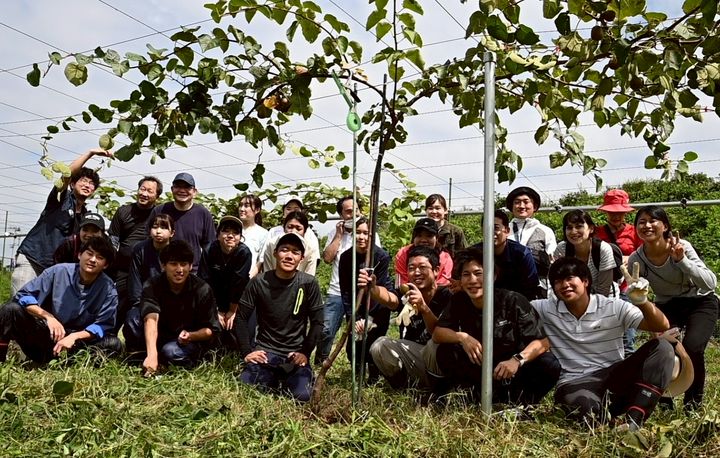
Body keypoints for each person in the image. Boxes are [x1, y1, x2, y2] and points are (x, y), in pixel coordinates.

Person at [532, 257, 674, 430]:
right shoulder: (544, 309)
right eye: (558, 281)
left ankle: (635, 420)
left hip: (615, 377)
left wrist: (643, 302)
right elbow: (513, 307)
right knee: (586, 414)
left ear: (585, 281)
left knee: (662, 347)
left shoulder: (613, 306)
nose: (564, 285)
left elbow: (661, 325)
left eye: (569, 278)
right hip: (574, 382)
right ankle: (605, 422)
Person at [432, 248, 560, 406]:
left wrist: (517, 360)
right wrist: (462, 337)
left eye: (478, 273)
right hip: (480, 366)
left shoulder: (513, 300)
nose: (472, 280)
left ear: (492, 276)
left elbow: (542, 342)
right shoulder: (459, 300)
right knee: (445, 351)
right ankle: (474, 397)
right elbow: (438, 333)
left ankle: (522, 403)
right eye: (466, 275)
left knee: (548, 363)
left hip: (512, 369)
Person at [628, 205, 718, 409]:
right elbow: (638, 293)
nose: (647, 226)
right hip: (667, 304)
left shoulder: (681, 246)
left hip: (701, 301)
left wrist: (682, 260)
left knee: (693, 347)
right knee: (665, 349)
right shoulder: (637, 259)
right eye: (641, 222)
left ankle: (693, 404)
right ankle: (664, 400)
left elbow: (710, 283)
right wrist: (639, 293)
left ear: (665, 226)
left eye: (653, 221)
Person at [0, 236, 121, 363]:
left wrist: (74, 336)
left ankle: (71, 364)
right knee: (10, 309)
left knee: (113, 344)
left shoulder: (108, 289)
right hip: (47, 336)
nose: (93, 260)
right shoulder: (58, 271)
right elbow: (24, 296)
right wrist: (49, 317)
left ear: (105, 265)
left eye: (100, 257)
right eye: (89, 254)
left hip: (78, 343)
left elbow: (102, 325)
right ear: (80, 255)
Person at [237, 233, 324, 402]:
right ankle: (272, 379)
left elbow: (318, 322)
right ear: (275, 253)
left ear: (301, 258)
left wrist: (305, 353)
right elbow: (241, 317)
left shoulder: (308, 283)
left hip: (294, 353)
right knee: (247, 388)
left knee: (302, 396)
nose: (289, 256)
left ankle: (291, 378)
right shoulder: (259, 282)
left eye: (295, 252)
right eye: (285, 250)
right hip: (265, 351)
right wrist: (247, 352)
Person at [12, 148, 112, 295]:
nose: (87, 185)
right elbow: (66, 174)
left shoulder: (85, 217)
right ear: (72, 184)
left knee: (41, 308)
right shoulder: (61, 199)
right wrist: (90, 153)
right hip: (33, 260)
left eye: (91, 183)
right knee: (21, 304)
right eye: (83, 181)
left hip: (54, 271)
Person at [362, 245, 452, 389]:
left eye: (422, 267)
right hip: (417, 357)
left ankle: (438, 393)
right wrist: (373, 289)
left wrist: (424, 308)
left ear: (436, 271)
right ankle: (405, 389)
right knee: (380, 346)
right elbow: (391, 299)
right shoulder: (407, 294)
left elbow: (439, 334)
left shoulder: (447, 296)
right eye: (411, 268)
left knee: (433, 345)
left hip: (441, 363)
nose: (416, 272)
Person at [123, 240, 221, 372]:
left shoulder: (202, 289)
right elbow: (151, 318)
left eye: (184, 264)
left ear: (190, 266)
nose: (179, 270)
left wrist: (191, 336)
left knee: (171, 352)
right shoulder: (152, 285)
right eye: (173, 264)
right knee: (133, 318)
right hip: (161, 334)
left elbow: (211, 330)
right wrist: (152, 354)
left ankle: (171, 364)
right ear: (163, 265)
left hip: (187, 341)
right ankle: (142, 359)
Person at [338, 217, 392, 382]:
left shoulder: (381, 257)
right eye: (358, 232)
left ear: (372, 235)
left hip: (378, 308)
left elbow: (379, 289)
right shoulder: (346, 257)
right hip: (356, 306)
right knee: (354, 346)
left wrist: (369, 317)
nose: (361, 237)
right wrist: (354, 317)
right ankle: (357, 375)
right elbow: (346, 291)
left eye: (365, 233)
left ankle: (374, 376)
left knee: (374, 343)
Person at [108, 176, 162, 333]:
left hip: (148, 271)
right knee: (117, 307)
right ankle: (108, 339)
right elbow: (113, 241)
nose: (144, 194)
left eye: (149, 191)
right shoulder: (123, 211)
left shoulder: (158, 215)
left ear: (157, 196)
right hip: (123, 270)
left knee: (144, 308)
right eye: (142, 189)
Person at [595, 189, 643, 355]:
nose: (616, 216)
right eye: (612, 212)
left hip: (627, 287)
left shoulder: (634, 231)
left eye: (620, 213)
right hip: (604, 287)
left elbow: (644, 254)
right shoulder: (597, 232)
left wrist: (629, 258)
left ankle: (630, 365)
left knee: (628, 334)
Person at [316, 196, 361, 364]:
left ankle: (355, 364)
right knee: (326, 329)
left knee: (358, 331)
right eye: (348, 211)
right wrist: (338, 236)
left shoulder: (368, 233)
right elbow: (327, 258)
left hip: (360, 292)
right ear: (341, 215)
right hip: (337, 291)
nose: (354, 214)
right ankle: (321, 361)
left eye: (356, 210)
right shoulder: (334, 234)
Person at [199, 215, 253, 351]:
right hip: (213, 298)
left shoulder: (244, 253)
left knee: (236, 328)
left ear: (240, 237)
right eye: (226, 231)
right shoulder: (209, 250)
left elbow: (239, 283)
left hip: (237, 300)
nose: (230, 236)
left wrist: (232, 310)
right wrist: (215, 310)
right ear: (218, 235)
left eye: (235, 233)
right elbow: (204, 282)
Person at [147, 173, 215, 273]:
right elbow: (148, 241)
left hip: (193, 272)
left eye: (187, 187)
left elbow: (209, 246)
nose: (182, 190)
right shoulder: (159, 211)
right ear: (172, 189)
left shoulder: (203, 213)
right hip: (163, 271)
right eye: (178, 186)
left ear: (194, 192)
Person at [471, 210, 541, 300]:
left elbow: (531, 288)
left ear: (507, 231)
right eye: (486, 229)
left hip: (516, 302)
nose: (490, 233)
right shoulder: (473, 254)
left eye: (496, 228)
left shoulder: (521, 254)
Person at [554, 209, 618, 298]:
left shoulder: (603, 249)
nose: (573, 231)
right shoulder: (562, 249)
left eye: (579, 226)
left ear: (591, 228)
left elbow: (604, 289)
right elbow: (558, 281)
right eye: (569, 227)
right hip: (573, 296)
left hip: (603, 298)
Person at [505, 186, 556, 296]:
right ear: (511, 207)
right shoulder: (504, 231)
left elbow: (553, 264)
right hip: (508, 289)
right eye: (517, 202)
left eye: (526, 202)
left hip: (538, 290)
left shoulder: (545, 231)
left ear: (535, 206)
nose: (521, 206)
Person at [127, 214, 175, 312]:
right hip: (145, 299)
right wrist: (139, 305)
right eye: (155, 227)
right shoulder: (140, 249)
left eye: (164, 228)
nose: (158, 231)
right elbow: (135, 281)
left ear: (172, 233)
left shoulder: (177, 250)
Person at [265, 197, 321, 270]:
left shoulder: (310, 242)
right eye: (289, 209)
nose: (293, 231)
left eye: (296, 209)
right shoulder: (272, 240)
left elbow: (313, 262)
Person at [394, 218, 453, 286]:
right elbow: (402, 284)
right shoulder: (403, 254)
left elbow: (443, 284)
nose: (423, 240)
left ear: (437, 238)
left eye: (429, 236)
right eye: (419, 236)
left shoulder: (445, 258)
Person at [258, 211, 318, 275]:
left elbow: (309, 276)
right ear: (284, 228)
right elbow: (268, 273)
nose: (293, 231)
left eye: (298, 229)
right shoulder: (271, 244)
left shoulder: (311, 248)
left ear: (305, 231)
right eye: (290, 227)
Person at [425, 194, 467, 258]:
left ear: (445, 210)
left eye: (437, 208)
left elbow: (464, 256)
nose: (434, 211)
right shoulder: (420, 230)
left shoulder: (455, 231)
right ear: (426, 211)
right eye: (430, 208)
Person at [238, 194, 268, 278]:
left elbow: (260, 261)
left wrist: (248, 279)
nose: (242, 209)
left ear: (257, 210)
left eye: (246, 206)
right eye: (240, 205)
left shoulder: (263, 233)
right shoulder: (232, 230)